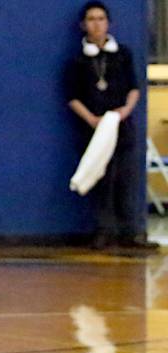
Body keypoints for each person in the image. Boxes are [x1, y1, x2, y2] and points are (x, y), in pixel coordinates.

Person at [67, 1, 155, 251]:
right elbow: (72, 97)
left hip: (121, 126)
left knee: (125, 178)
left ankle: (131, 232)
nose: (97, 24)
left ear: (109, 23)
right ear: (84, 25)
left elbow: (134, 89)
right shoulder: (77, 60)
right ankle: (104, 232)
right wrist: (92, 120)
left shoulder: (122, 54)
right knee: (101, 180)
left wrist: (124, 111)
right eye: (92, 19)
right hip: (93, 130)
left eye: (101, 19)